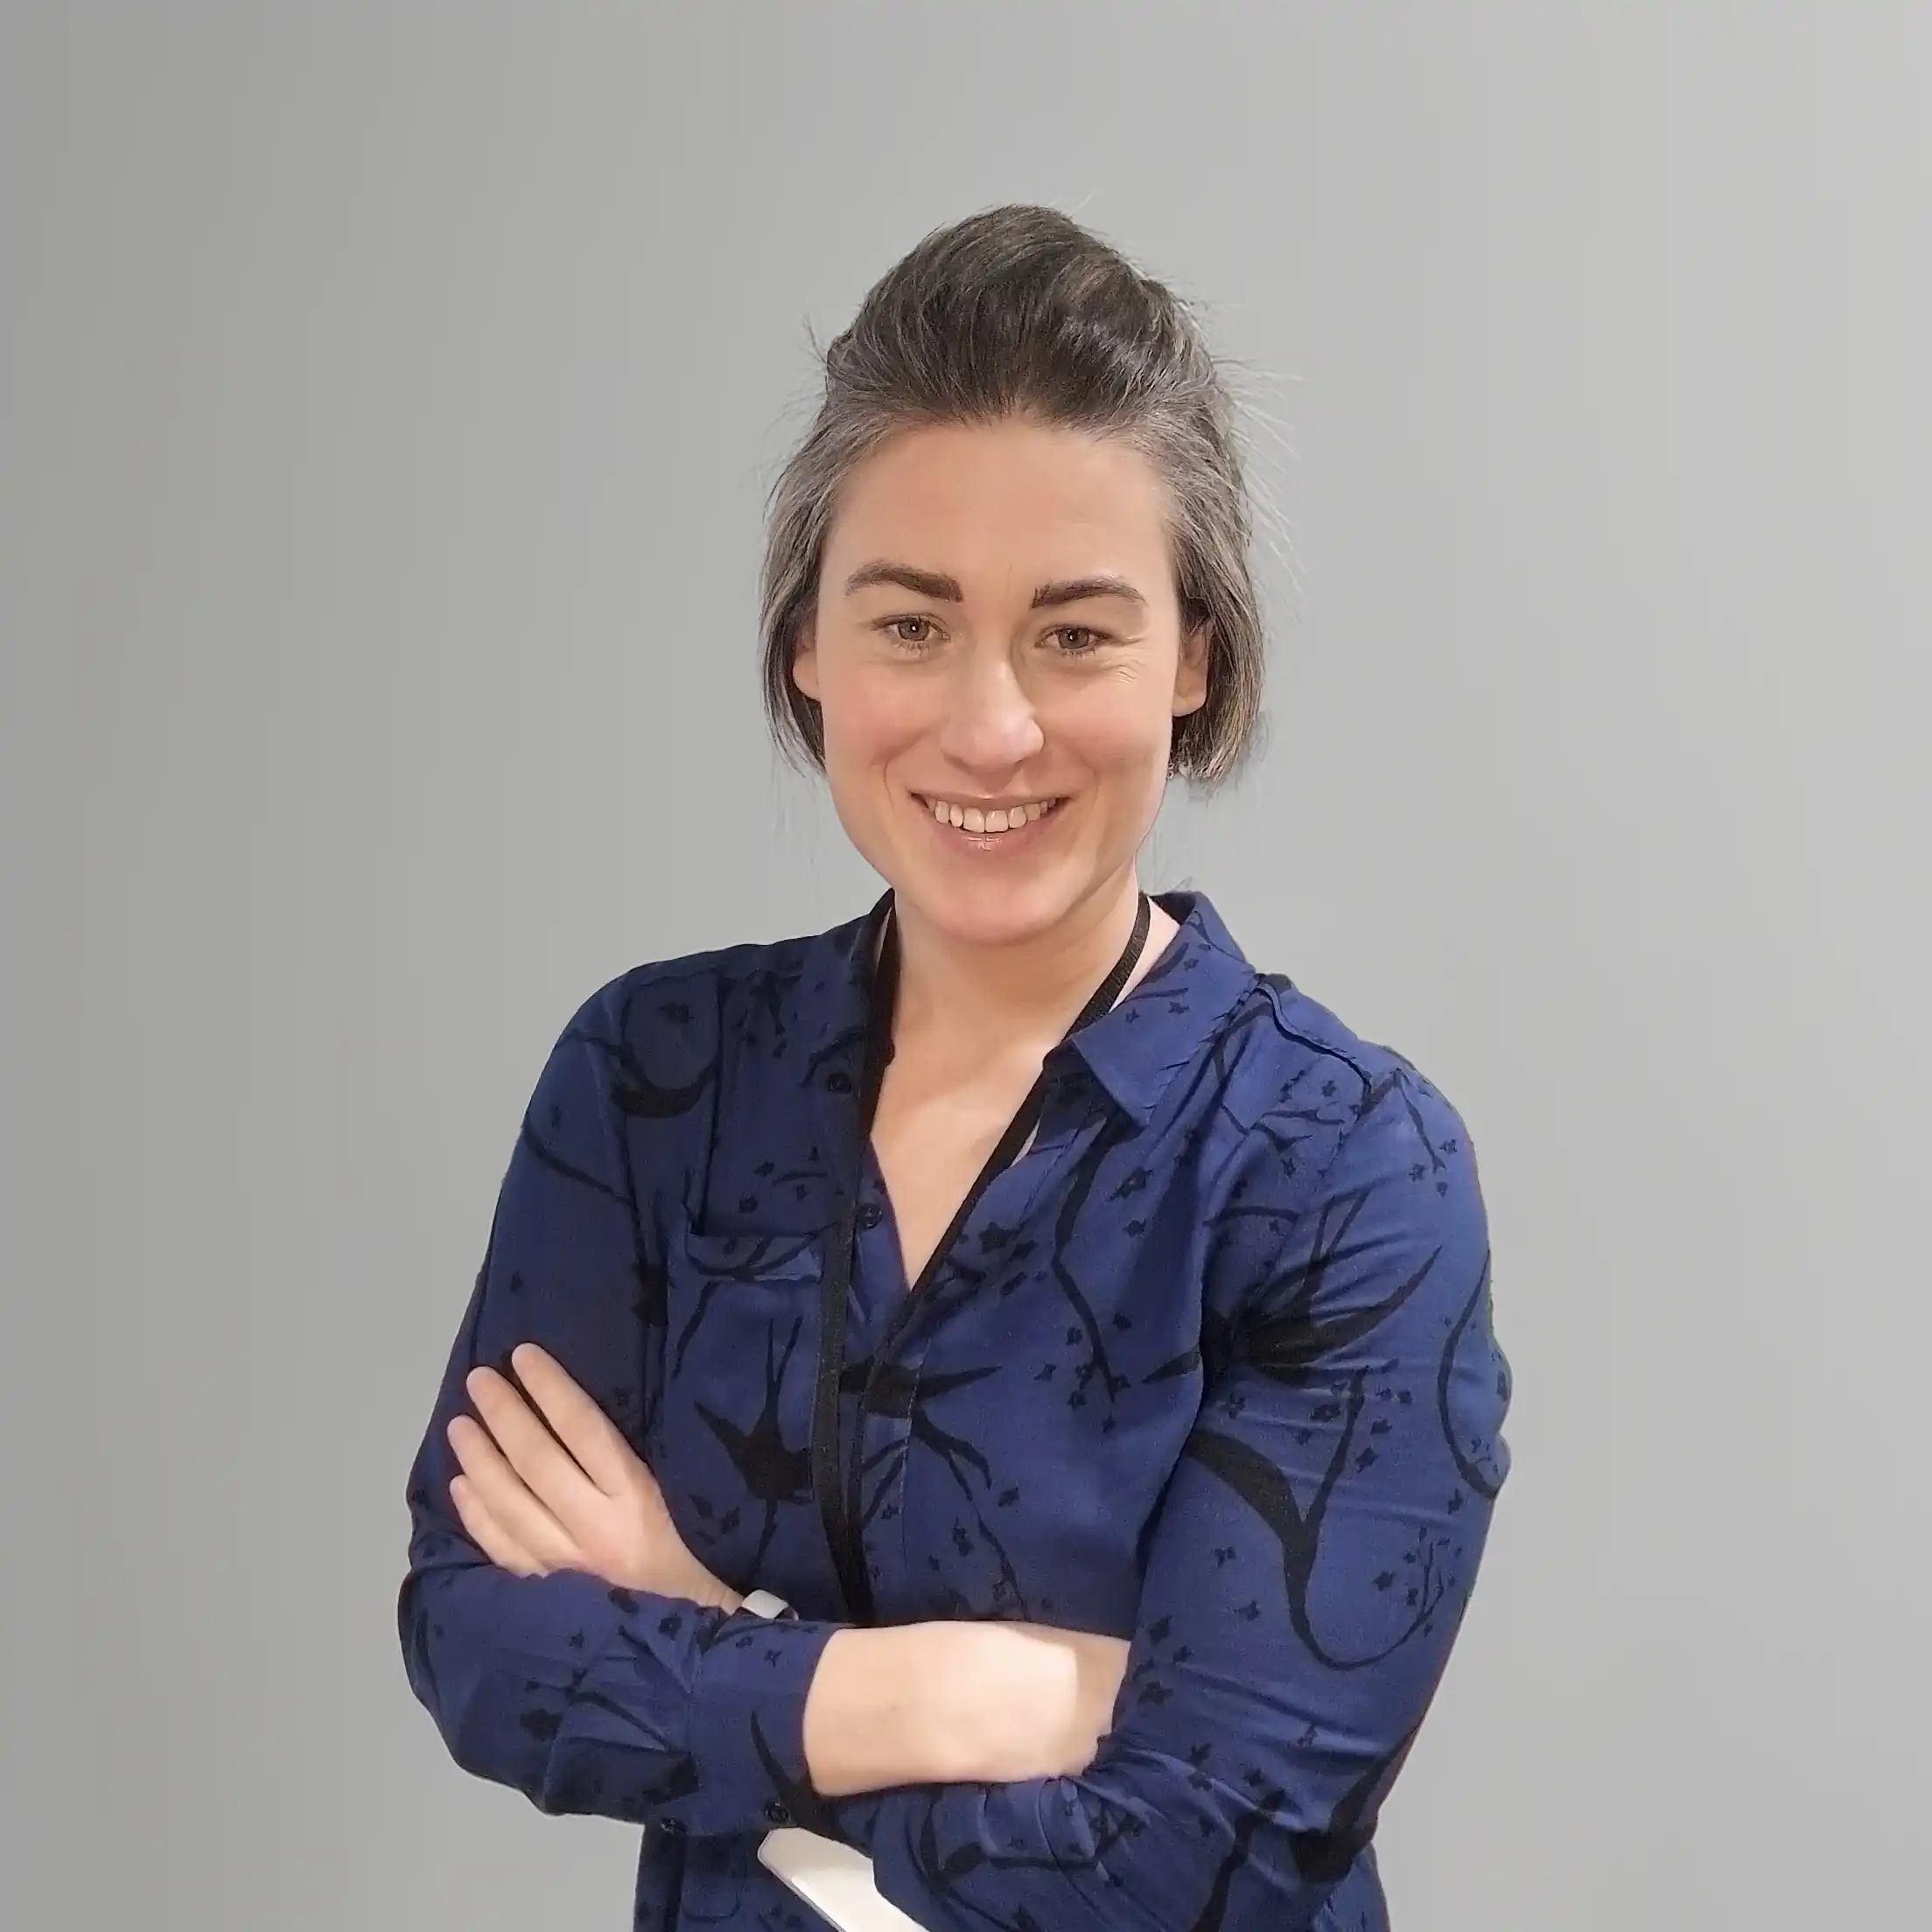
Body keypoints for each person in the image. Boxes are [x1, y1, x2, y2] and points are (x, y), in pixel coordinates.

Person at [396, 202, 1514, 1932]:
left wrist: (707, 1633)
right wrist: (965, 1695)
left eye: (1075, 632)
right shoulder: (655, 1081)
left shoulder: (1339, 1166)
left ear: (1194, 655)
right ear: (808, 647)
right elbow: (478, 1638)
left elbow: (1196, 1859)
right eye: (912, 625)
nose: (991, 726)